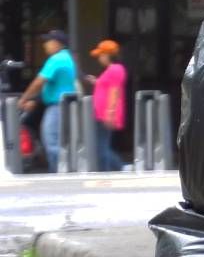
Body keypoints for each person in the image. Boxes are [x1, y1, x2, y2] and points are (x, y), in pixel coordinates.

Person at [17, 30, 78, 173]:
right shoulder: (67, 57)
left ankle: (57, 174)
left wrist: (24, 98)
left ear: (57, 43)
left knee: (51, 141)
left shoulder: (56, 59)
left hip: (57, 107)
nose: (45, 45)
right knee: (60, 142)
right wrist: (36, 101)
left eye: (48, 42)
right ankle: (61, 171)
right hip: (64, 105)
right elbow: (52, 85)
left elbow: (39, 82)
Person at [86, 39, 127, 172]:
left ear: (107, 55)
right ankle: (116, 168)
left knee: (101, 147)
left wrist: (110, 113)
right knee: (101, 145)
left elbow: (114, 91)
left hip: (105, 114)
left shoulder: (115, 69)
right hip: (101, 113)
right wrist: (96, 81)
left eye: (101, 55)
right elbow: (107, 86)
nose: (99, 58)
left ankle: (117, 167)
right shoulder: (111, 70)